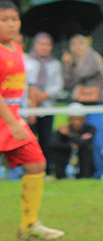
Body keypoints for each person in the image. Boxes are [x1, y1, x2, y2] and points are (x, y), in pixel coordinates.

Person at [0, 0, 64, 240]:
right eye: (4, 19)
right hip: (7, 121)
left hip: (14, 120)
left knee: (37, 164)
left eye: (14, 19)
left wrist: (24, 112)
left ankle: (29, 225)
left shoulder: (16, 49)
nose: (11, 24)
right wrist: (14, 122)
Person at [63, 33, 103, 179]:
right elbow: (67, 84)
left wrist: (69, 65)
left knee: (97, 138)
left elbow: (82, 75)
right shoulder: (71, 62)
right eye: (73, 44)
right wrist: (67, 67)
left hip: (95, 104)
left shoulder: (92, 57)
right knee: (77, 139)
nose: (77, 47)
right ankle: (83, 172)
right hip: (78, 106)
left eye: (80, 43)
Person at [24, 32, 64, 174]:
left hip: (47, 106)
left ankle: (45, 169)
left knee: (46, 139)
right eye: (41, 43)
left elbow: (58, 85)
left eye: (47, 44)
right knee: (27, 140)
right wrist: (33, 96)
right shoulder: (26, 60)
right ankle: (28, 169)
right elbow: (25, 83)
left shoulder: (55, 63)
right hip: (28, 107)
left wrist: (45, 94)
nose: (44, 47)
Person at [48, 102, 97, 179]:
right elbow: (53, 144)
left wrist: (69, 135)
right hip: (67, 156)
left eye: (80, 119)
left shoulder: (90, 129)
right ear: (69, 120)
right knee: (59, 151)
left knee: (86, 150)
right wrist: (71, 145)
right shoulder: (62, 131)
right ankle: (61, 175)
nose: (77, 122)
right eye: (74, 119)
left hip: (83, 158)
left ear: (84, 119)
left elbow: (85, 143)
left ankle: (85, 175)